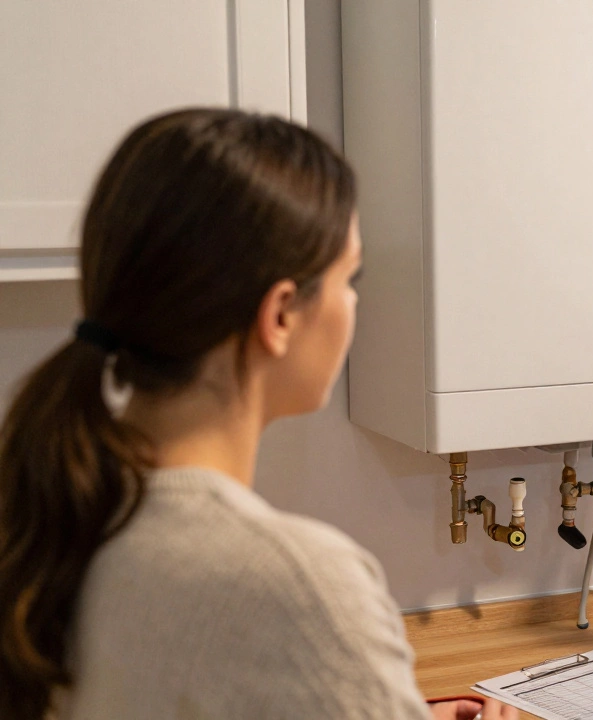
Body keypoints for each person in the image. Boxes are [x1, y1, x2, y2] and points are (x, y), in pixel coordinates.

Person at [0, 109, 516, 720]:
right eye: (349, 277)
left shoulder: (46, 520)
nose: (353, 303)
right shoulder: (296, 585)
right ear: (280, 316)